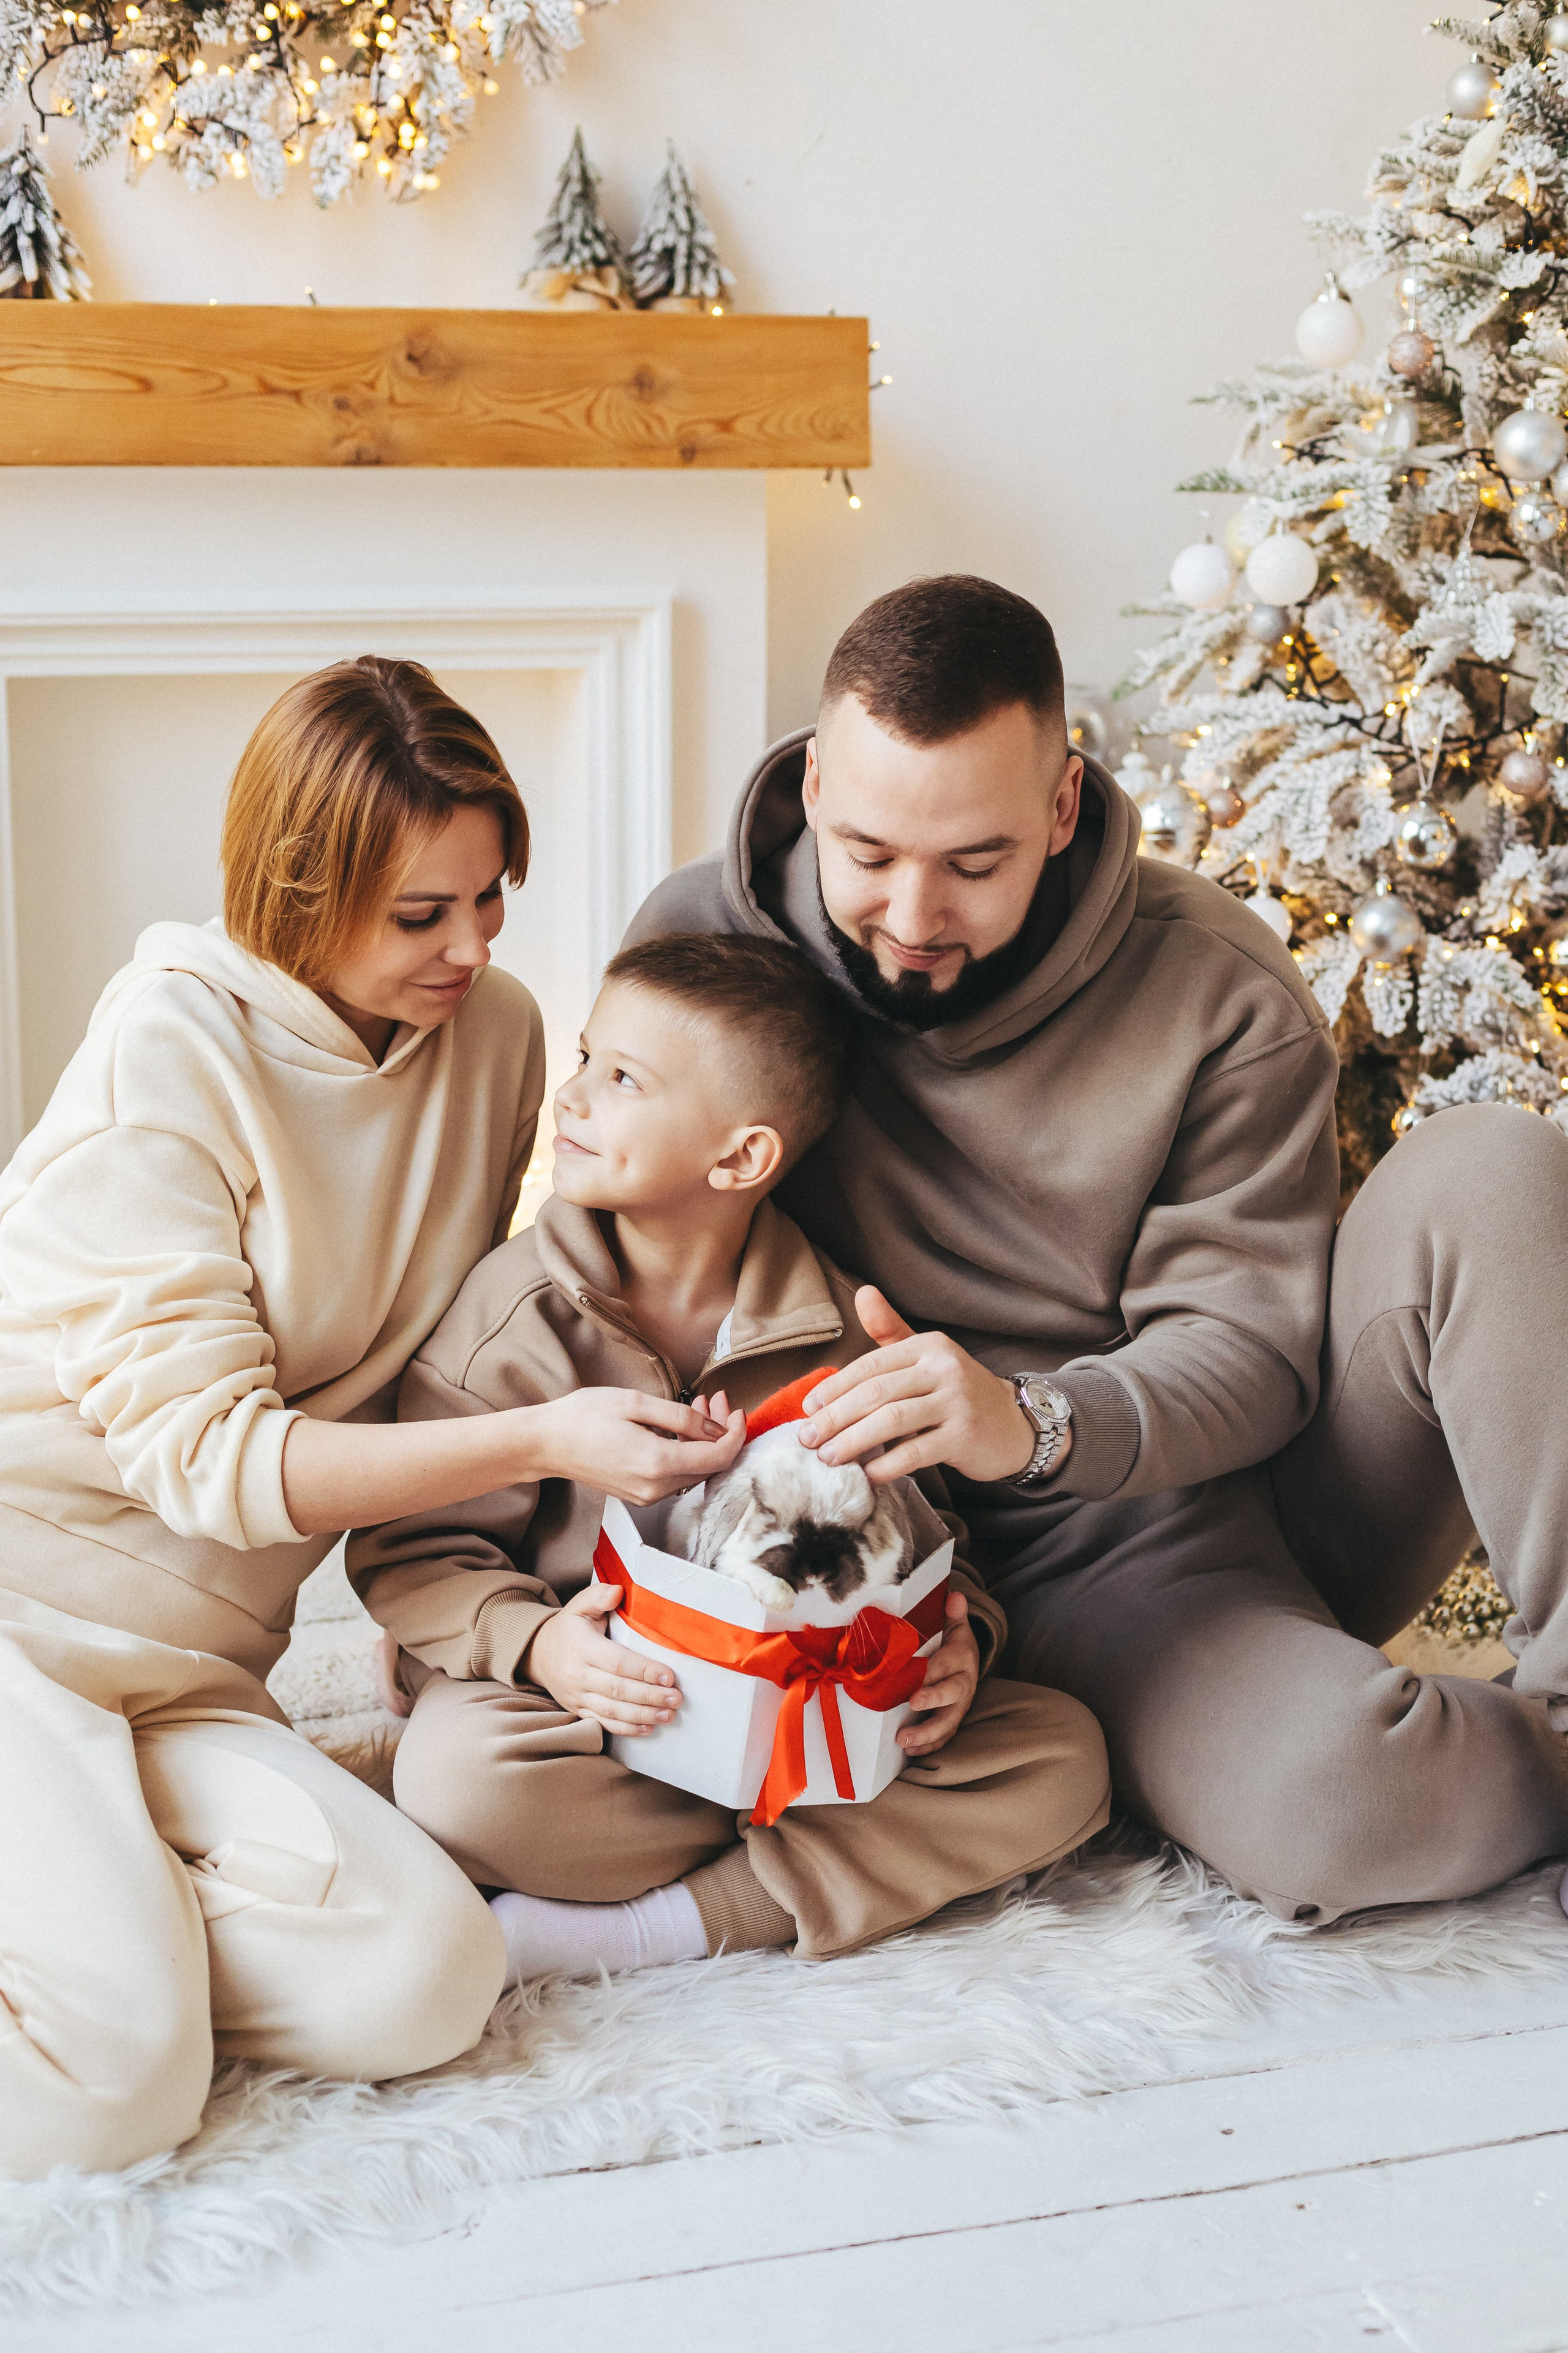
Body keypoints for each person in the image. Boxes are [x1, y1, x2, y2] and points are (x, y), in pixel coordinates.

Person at [624, 572, 1568, 1927]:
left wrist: (1029, 1421)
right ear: (815, 785)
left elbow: (1251, 1353)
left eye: (974, 864)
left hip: (1210, 1506)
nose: (912, 916)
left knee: (1493, 1167)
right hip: (963, 1567)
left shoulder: (1215, 984)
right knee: (1341, 1792)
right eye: (871, 854)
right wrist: (499, 1579)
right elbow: (603, 1258)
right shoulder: (693, 949)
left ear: (1062, 806)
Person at [0, 656, 747, 2183]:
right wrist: (543, 1442)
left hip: (192, 1676)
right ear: (299, 888)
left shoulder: (497, 1037)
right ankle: (102, 1973)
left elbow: (474, 1328)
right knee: (113, 2093)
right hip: (22, 1626)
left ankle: (96, 1929)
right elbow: (212, 1465)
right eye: (421, 914)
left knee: (426, 1979)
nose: (471, 945)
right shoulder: (167, 1051)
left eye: (492, 896)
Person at [351, 932, 1110, 1982]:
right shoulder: (511, 1321)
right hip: (594, 1705)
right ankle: (811, 1851)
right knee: (462, 1785)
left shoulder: (844, 1327)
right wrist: (535, 1644)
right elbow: (414, 1552)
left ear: (742, 1159)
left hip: (806, 1713)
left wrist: (957, 1642)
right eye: (586, 1058)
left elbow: (928, 1542)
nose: (572, 1095)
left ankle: (654, 1924)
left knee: (1063, 1757)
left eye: (622, 1079)